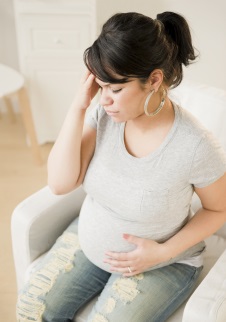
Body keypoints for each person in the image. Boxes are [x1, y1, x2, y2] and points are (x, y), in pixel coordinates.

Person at [16, 11, 226, 322]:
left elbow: (219, 210)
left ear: (153, 80)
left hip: (163, 262)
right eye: (100, 87)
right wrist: (78, 106)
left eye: (115, 89)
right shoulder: (104, 115)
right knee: (30, 310)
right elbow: (60, 184)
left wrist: (161, 252)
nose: (105, 99)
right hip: (89, 241)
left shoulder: (195, 146)